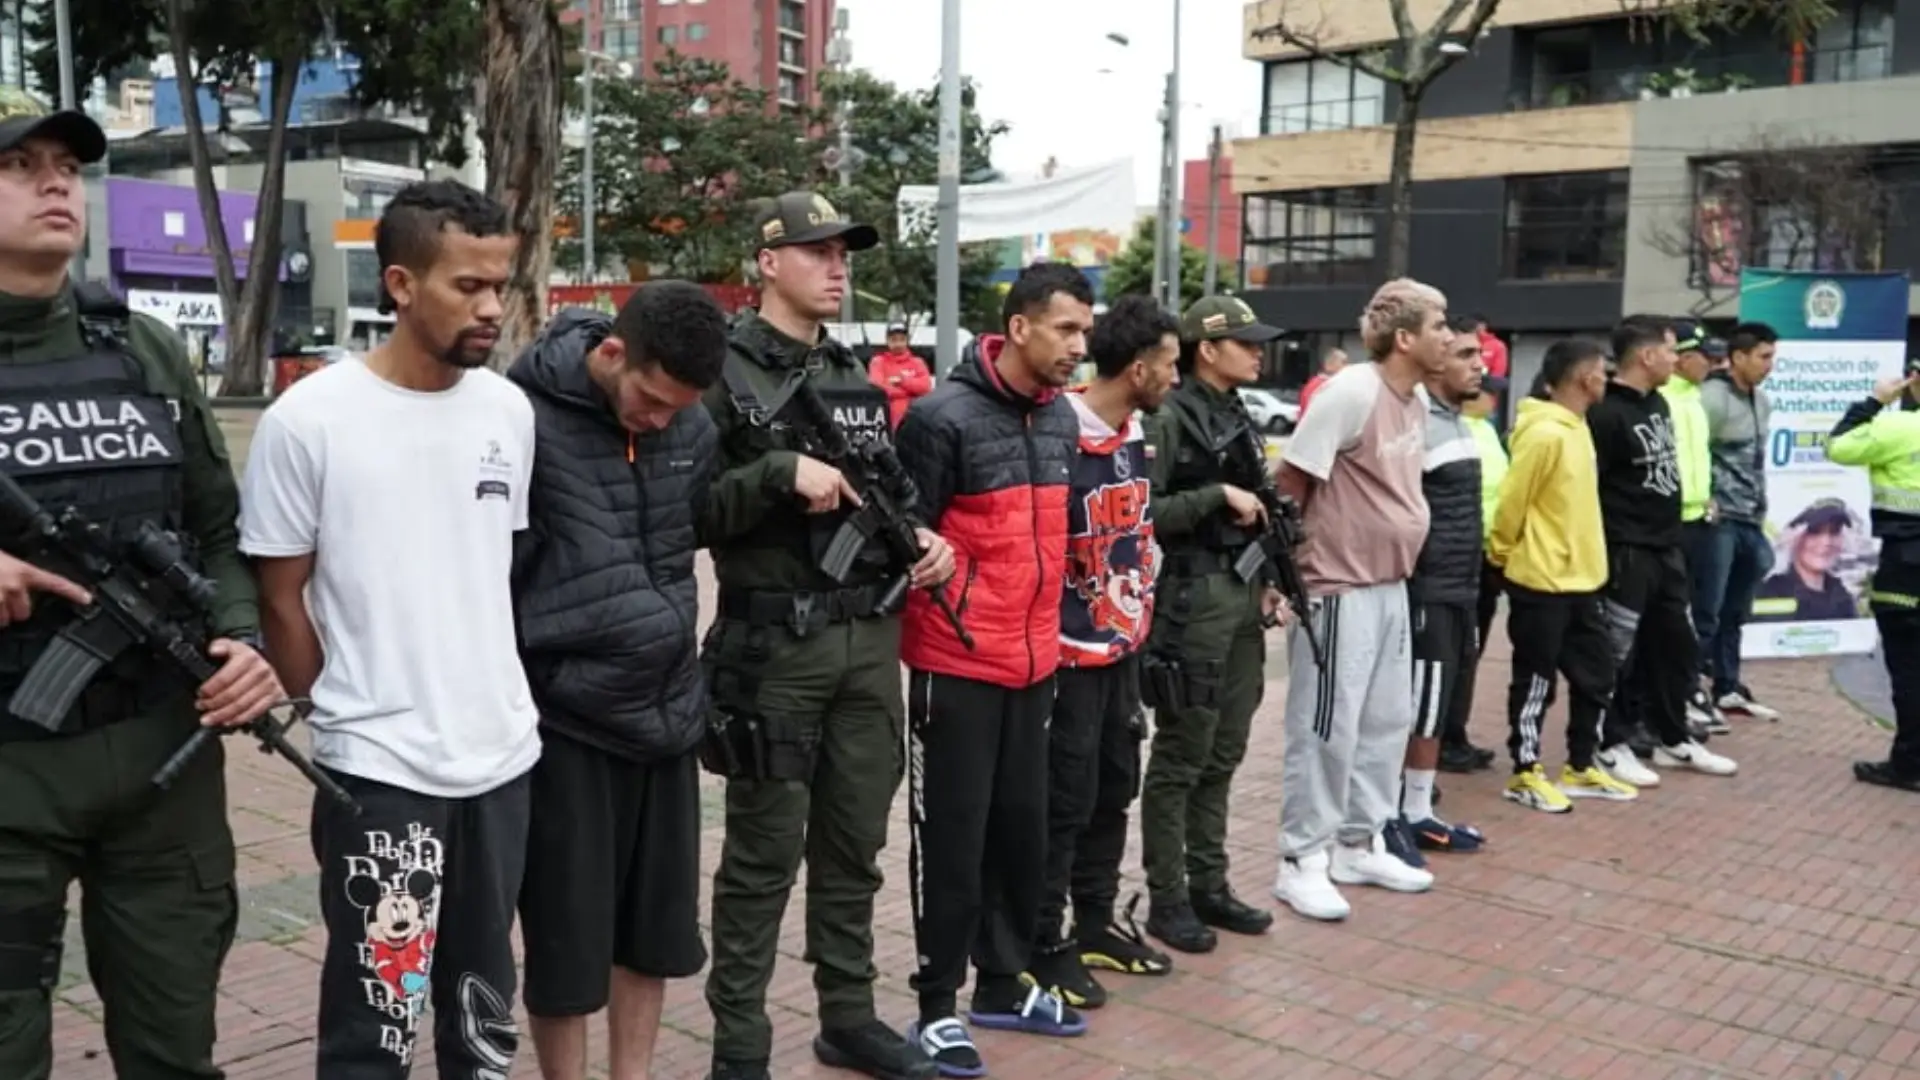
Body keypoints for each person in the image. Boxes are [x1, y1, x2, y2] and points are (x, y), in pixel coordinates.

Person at [0, 89, 283, 1080]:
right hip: (10, 779)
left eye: (68, 168)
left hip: (164, 769)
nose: (53, 184)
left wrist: (244, 641)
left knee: (174, 1050)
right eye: (19, 165)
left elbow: (217, 528)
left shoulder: (143, 346)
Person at [241, 179, 539, 1078]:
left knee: (484, 1020)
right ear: (402, 285)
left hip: (501, 761)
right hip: (378, 768)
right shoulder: (310, 421)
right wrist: (327, 710)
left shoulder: (506, 412)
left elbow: (493, 569)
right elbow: (281, 597)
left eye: (502, 286)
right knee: (376, 1017)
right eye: (467, 287)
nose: (491, 308)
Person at [698, 191, 950, 1080]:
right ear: (767, 263)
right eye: (817, 251)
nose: (838, 266)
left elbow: (890, 492)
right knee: (762, 858)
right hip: (775, 655)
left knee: (854, 847)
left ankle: (848, 1016)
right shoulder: (721, 372)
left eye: (844, 252)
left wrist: (926, 541)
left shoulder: (852, 373)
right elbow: (684, 511)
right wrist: (775, 472)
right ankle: (739, 1048)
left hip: (868, 644)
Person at [505, 281, 730, 1080]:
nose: (662, 419)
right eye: (651, 399)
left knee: (656, 931)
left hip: (667, 710)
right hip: (567, 719)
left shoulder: (690, 423)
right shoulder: (517, 418)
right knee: (566, 940)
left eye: (679, 407)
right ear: (610, 354)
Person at [892, 262, 1090, 1076]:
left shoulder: (1062, 422)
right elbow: (901, 530)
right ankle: (937, 1005)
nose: (1082, 345)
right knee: (954, 840)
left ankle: (1002, 986)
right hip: (957, 663)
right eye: (1068, 329)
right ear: (1019, 328)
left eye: (1086, 328)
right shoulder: (940, 419)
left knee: (1022, 833)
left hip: (1036, 663)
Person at [1270, 279, 1445, 923]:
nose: (1450, 337)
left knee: (1384, 721)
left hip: (1390, 584)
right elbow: (1290, 482)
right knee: (1325, 727)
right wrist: (1284, 577)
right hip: (1337, 587)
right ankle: (1302, 860)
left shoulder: (1417, 399)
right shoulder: (1351, 392)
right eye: (1439, 324)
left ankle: (1358, 841)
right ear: (1405, 337)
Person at [1027, 295, 1179, 1013]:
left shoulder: (1136, 433)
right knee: (1064, 799)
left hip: (1123, 644)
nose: (1176, 378)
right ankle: (1042, 939)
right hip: (1064, 651)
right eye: (1172, 364)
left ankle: (1095, 922)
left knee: (1116, 785)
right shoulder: (1061, 429)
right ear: (1141, 367)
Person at [1135, 295, 1284, 950]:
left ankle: (1209, 883)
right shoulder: (1169, 415)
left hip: (1241, 591)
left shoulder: (1236, 412)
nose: (1258, 351)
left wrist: (1271, 581)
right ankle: (1168, 897)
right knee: (1182, 753)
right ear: (1208, 349)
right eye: (1246, 342)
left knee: (1225, 749)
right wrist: (1216, 497)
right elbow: (1145, 510)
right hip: (1193, 597)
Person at [1585, 316, 1738, 792]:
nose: (1676, 358)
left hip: (1667, 545)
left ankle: (1674, 736)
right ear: (1647, 355)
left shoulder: (1661, 403)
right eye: (1670, 350)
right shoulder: (1605, 413)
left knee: (1677, 646)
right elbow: (1591, 485)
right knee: (1617, 655)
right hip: (1625, 549)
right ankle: (1608, 743)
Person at [1488, 338, 1631, 814]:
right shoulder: (1545, 432)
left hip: (1582, 580)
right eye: (1602, 372)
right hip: (1540, 580)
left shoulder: (1578, 426)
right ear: (1585, 378)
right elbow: (1513, 501)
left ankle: (1580, 765)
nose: (1607, 380)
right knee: (1535, 682)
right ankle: (1525, 772)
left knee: (1597, 675)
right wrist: (1504, 553)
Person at [1396, 318, 1490, 859]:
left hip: (1462, 586)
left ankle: (1418, 808)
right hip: (1428, 588)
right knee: (1421, 705)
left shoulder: (1458, 421)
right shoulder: (1416, 422)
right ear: (1435, 363)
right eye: (1466, 354)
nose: (1480, 364)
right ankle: (1407, 812)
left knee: (1439, 703)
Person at [1824, 369, 1920, 791]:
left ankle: (1909, 765)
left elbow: (1838, 446)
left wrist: (1875, 401)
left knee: (1908, 668)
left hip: (1907, 568)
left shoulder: (1900, 426)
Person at [1698, 323, 1782, 722]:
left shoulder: (1761, 401)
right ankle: (1690, 693)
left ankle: (1727, 687)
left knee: (1736, 611)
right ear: (1738, 357)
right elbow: (1694, 453)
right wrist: (1706, 499)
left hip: (1750, 518)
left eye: (1772, 356)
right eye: (1763, 357)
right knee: (1707, 611)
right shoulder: (1710, 399)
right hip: (1719, 521)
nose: (1770, 364)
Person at [1663, 323, 1730, 732]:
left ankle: (1689, 689)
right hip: (1669, 524)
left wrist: (1709, 495)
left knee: (1702, 613)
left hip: (1700, 519)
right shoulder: (1664, 398)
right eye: (1706, 356)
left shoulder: (1695, 400)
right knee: (1672, 618)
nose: (1713, 363)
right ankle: (1671, 696)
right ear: (1683, 357)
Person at [1439, 373, 1506, 774]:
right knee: (1455, 650)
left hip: (1485, 554)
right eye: (1487, 392)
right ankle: (1444, 736)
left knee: (1471, 650)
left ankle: (1455, 733)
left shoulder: (1486, 432)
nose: (1493, 400)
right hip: (1463, 553)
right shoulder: (1461, 430)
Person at [1752, 500, 1860, 622]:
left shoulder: (1842, 595)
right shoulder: (1771, 592)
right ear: (1793, 537)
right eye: (1814, 532)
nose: (1826, 542)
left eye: (1834, 532)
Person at [869, 321, 933, 428]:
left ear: (907, 340)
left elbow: (926, 387)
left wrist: (901, 381)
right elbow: (878, 389)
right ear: (887, 341)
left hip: (916, 422)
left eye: (902, 339)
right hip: (886, 421)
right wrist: (911, 393)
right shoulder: (878, 362)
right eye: (894, 340)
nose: (898, 344)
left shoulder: (918, 362)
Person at [1296, 347, 1346, 416]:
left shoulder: (1317, 383)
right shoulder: (1319, 385)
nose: (1346, 366)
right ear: (1330, 364)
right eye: (1343, 362)